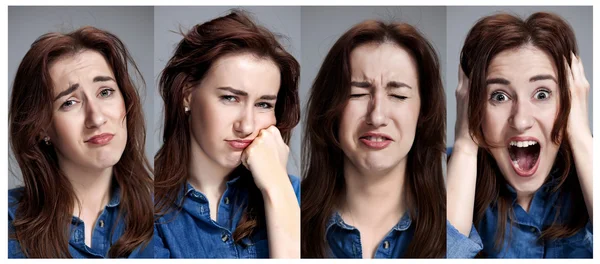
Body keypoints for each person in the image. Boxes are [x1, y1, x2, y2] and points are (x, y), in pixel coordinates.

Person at [153, 10, 301, 258]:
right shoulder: (145, 210)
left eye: (264, 104)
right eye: (230, 98)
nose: (246, 126)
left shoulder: (295, 196)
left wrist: (277, 189)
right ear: (187, 95)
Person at [446, 12, 592, 258]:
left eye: (542, 94)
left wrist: (580, 135)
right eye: (499, 96)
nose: (521, 120)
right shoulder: (437, 175)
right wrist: (464, 147)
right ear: (474, 105)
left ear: (570, 99)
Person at [301, 20, 446, 258]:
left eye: (398, 95)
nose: (376, 116)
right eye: (357, 94)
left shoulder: (454, 232)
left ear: (423, 112)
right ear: (331, 109)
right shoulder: (289, 219)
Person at [8, 26, 154, 258]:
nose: (96, 118)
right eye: (69, 102)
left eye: (105, 92)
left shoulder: (166, 216)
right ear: (40, 128)